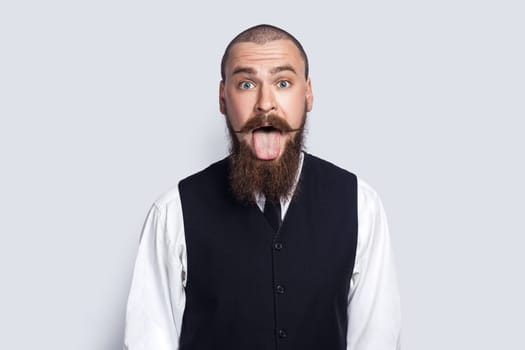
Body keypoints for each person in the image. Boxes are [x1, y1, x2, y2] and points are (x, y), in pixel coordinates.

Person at [124, 24, 401, 350]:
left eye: (283, 83)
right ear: (222, 98)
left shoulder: (360, 204)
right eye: (246, 84)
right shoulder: (173, 211)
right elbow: (149, 341)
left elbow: (376, 340)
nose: (265, 104)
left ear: (308, 94)